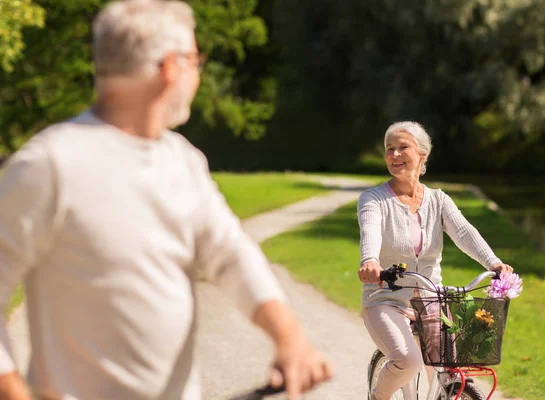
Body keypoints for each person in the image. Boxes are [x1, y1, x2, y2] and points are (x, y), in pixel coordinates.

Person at [0, 1, 332, 399]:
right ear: (171, 67)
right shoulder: (50, 164)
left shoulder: (184, 161)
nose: (197, 74)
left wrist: (290, 339)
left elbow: (230, 254)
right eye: (196, 60)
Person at [357, 121, 513, 400]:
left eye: (403, 147)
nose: (394, 154)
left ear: (422, 154)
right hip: (385, 299)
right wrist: (370, 261)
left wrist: (494, 263)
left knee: (448, 373)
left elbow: (465, 232)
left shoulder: (438, 200)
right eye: (389, 149)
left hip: (430, 298)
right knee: (409, 360)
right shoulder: (373, 200)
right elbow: (370, 231)